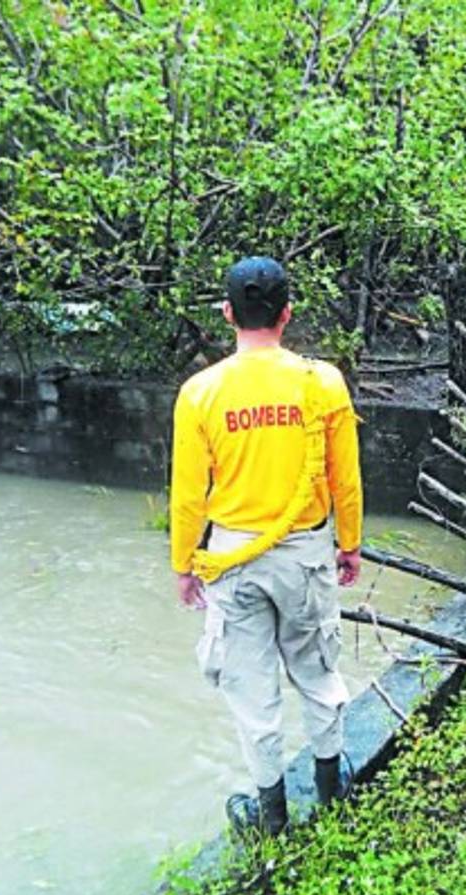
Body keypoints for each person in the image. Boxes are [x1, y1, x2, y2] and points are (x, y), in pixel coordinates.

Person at [170, 256, 363, 837]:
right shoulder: (323, 382)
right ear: (287, 314)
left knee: (251, 689)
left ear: (228, 314)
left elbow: (188, 495)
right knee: (318, 668)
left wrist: (184, 565)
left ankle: (272, 816)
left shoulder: (200, 392)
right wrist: (350, 544)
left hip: (232, 559)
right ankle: (331, 791)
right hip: (306, 552)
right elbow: (346, 478)